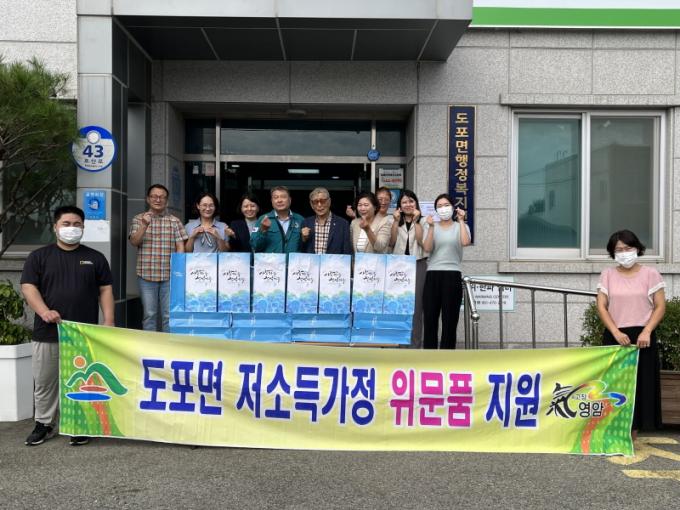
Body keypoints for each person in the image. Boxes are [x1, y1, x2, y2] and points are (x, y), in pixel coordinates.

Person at [21, 205, 114, 447]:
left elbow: (105, 289)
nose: (71, 228)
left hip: (83, 333)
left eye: (77, 225)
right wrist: (44, 311)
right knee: (46, 381)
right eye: (66, 224)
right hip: (48, 332)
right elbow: (28, 287)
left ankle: (79, 424)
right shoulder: (38, 257)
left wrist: (109, 321)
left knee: (82, 381)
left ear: (83, 227)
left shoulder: (95, 258)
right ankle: (44, 424)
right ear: (55, 227)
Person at [596, 229, 665, 437]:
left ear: (637, 248)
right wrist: (615, 332)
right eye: (619, 250)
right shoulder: (607, 275)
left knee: (642, 384)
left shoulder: (651, 274)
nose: (624, 253)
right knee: (615, 383)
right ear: (612, 252)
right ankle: (614, 431)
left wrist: (647, 330)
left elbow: (660, 306)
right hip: (616, 335)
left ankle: (633, 432)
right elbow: (602, 306)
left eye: (628, 248)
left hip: (643, 337)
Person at [129, 184, 188, 332]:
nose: (158, 199)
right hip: (146, 275)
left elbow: (180, 247)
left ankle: (168, 344)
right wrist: (144, 225)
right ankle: (149, 344)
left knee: (169, 315)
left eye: (162, 197)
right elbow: (134, 242)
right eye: (154, 196)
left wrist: (178, 272)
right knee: (149, 314)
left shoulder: (174, 221)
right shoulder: (138, 219)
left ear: (167, 201)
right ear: (148, 199)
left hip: (169, 276)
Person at [422, 193, 471, 349]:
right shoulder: (430, 226)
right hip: (432, 274)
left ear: (453, 207)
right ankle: (430, 354)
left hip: (452, 274)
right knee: (430, 318)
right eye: (439, 206)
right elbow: (427, 248)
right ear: (436, 210)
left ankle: (447, 355)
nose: (443, 209)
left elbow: (465, 242)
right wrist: (431, 227)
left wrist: (461, 220)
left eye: (446, 205)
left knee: (450, 319)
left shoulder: (460, 226)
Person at [389, 189, 429, 348]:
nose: (408, 204)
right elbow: (392, 242)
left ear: (416, 203)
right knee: (398, 303)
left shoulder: (424, 221)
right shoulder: (394, 220)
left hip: (418, 263)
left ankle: (414, 344)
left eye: (411, 201)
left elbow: (421, 241)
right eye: (404, 202)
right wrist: (394, 221)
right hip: (398, 265)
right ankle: (399, 344)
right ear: (399, 205)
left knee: (416, 307)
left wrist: (416, 221)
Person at [250, 186, 304, 253]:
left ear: (290, 200)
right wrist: (263, 231)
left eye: (283, 197)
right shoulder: (263, 219)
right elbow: (255, 246)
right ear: (272, 201)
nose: (279, 200)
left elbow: (306, 247)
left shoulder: (300, 219)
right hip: (271, 260)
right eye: (276, 197)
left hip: (293, 260)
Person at [301, 187, 352, 255]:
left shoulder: (343, 224)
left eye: (323, 201)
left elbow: (347, 252)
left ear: (329, 201)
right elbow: (301, 251)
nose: (319, 205)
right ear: (311, 205)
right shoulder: (306, 223)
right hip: (312, 262)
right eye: (315, 202)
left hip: (335, 262)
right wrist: (303, 239)